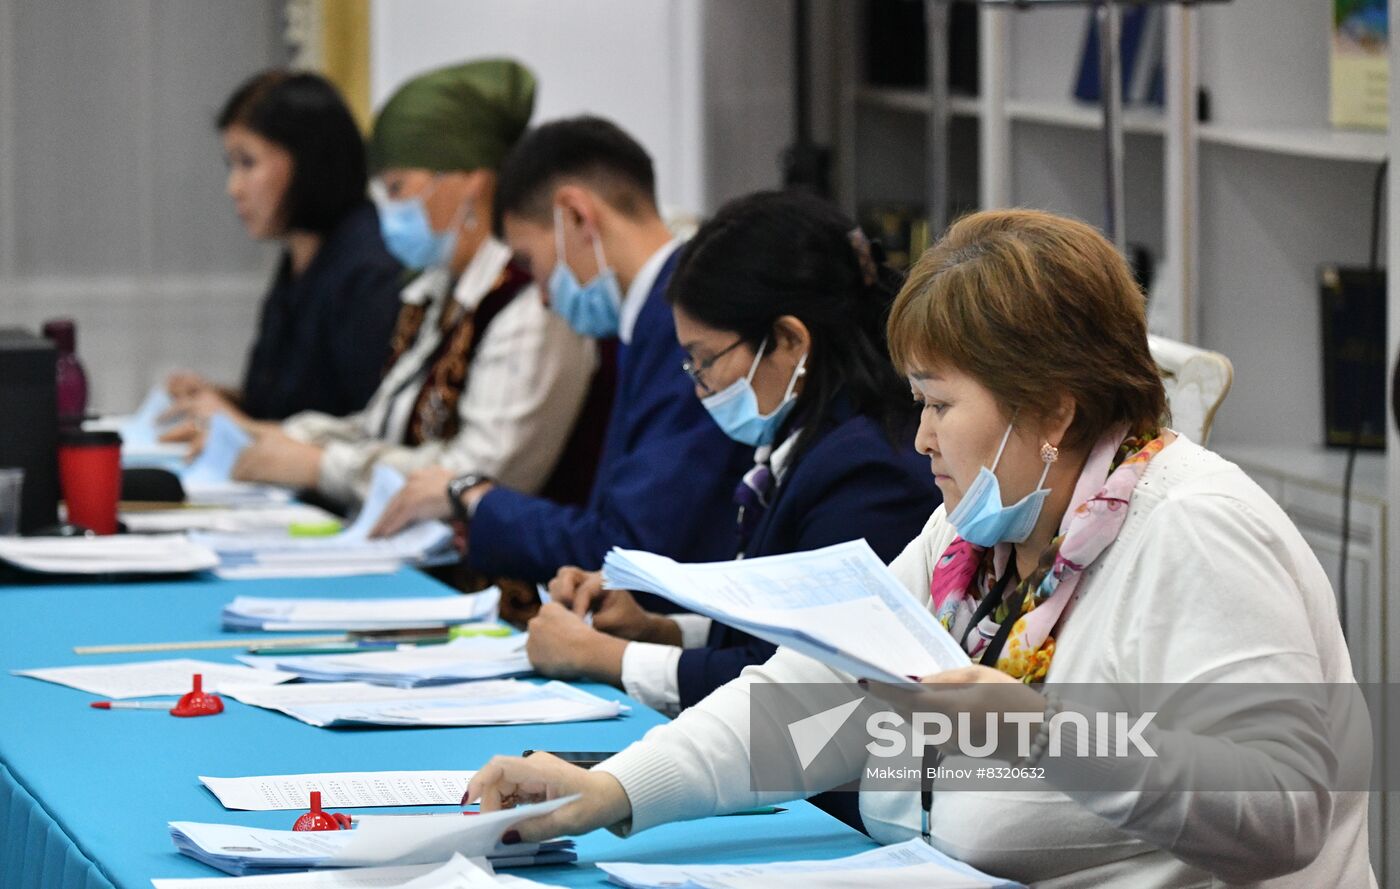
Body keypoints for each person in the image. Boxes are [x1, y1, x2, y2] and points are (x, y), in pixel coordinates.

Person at [464, 209, 1375, 887]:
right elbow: (809, 702)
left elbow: (1287, 809)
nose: (920, 441)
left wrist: (1049, 735)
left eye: (940, 405)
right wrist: (612, 789)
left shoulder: (1196, 528)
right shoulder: (984, 525)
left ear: (1051, 406)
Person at [522, 191, 941, 724]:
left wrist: (606, 658)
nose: (699, 388)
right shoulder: (807, 440)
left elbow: (806, 689)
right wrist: (656, 628)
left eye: (704, 360)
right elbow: (777, 630)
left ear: (789, 340)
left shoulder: (870, 473)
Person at [173, 60, 596, 511]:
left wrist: (318, 465)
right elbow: (378, 427)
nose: (388, 211)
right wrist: (270, 437)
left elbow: (474, 476)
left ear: (471, 183)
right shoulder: (437, 291)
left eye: (397, 188)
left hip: (482, 576)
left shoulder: (532, 303)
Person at [373, 117, 751, 587]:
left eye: (530, 263)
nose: (545, 298)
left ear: (575, 215)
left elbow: (635, 554)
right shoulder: (649, 318)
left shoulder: (686, 325)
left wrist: (472, 496)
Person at [167, 70, 403, 422]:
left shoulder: (370, 270)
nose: (234, 187)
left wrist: (240, 427)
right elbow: (283, 407)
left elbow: (366, 432)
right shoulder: (298, 256)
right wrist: (219, 401)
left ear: (307, 160)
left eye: (247, 163)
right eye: (231, 165)